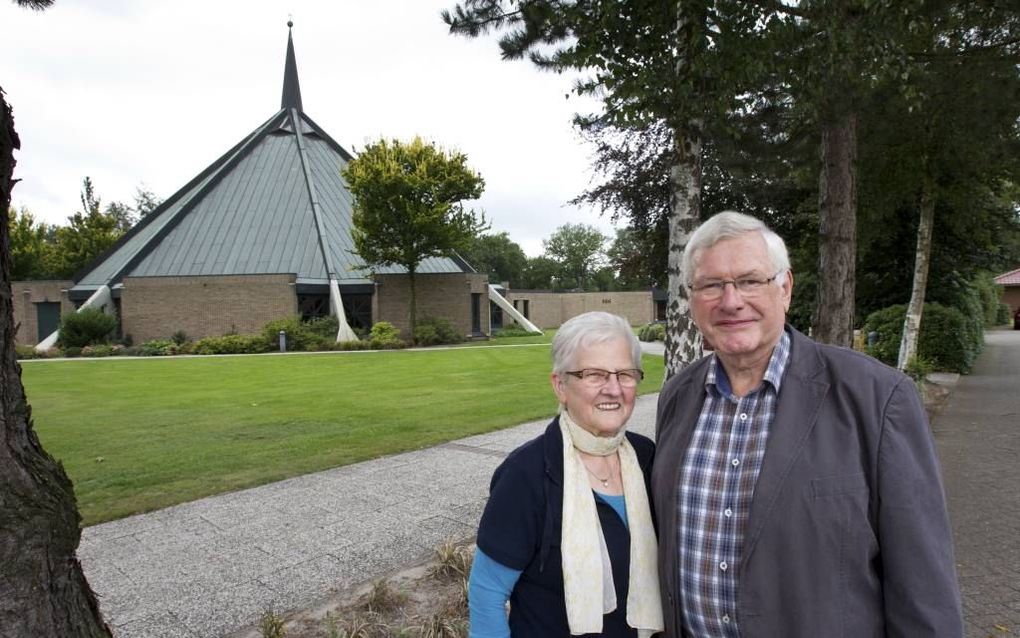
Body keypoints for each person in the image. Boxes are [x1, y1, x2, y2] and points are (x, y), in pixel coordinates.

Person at [651, 211, 963, 637]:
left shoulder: (876, 398)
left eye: (749, 280)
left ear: (785, 288)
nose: (731, 301)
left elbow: (923, 585)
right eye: (711, 285)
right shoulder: (677, 398)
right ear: (691, 297)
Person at [468, 311, 664, 637]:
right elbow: (487, 595)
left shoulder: (648, 459)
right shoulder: (526, 475)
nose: (613, 389)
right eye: (595, 375)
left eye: (625, 374)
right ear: (560, 385)